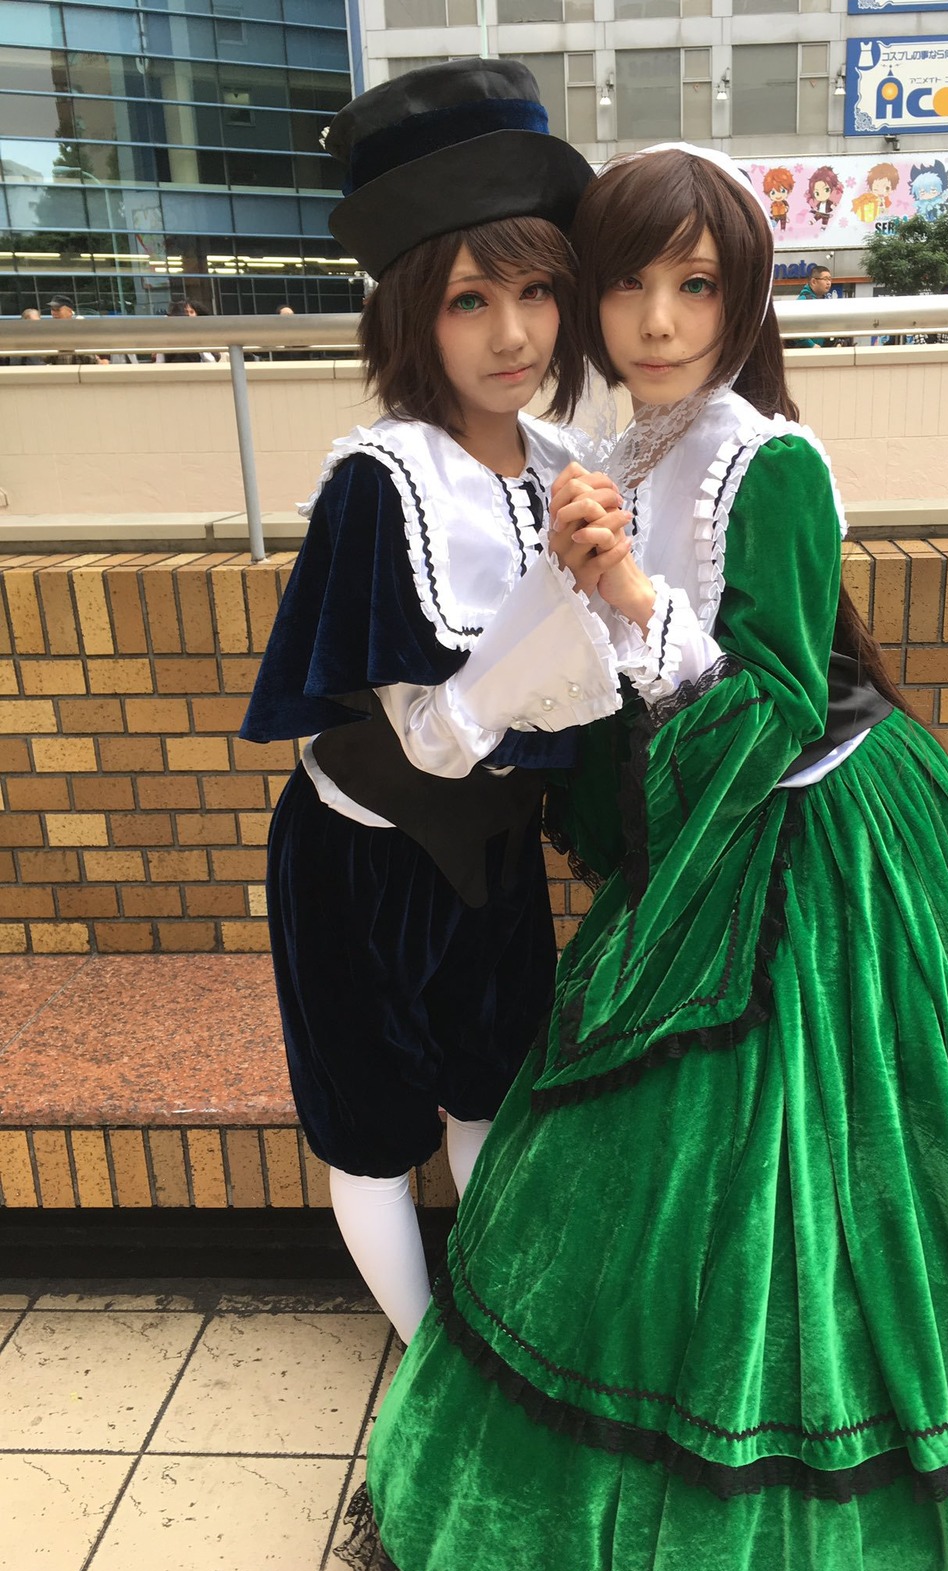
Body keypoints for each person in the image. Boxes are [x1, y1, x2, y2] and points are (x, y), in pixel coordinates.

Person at [349, 142, 948, 1571]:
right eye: (625, 286)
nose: (658, 322)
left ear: (750, 298)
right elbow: (595, 673)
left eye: (699, 285)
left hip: (815, 847)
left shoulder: (769, 459)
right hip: (694, 835)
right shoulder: (616, 449)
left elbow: (780, 696)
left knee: (855, 1175)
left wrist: (624, 597)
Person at [239, 59, 624, 1345]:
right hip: (365, 864)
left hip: (497, 857)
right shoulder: (382, 485)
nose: (513, 336)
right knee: (371, 1124)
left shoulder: (571, 463)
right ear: (413, 313)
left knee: (489, 1091)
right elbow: (422, 731)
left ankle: (498, 1329)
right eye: (471, 300)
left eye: (535, 292)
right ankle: (430, 1363)